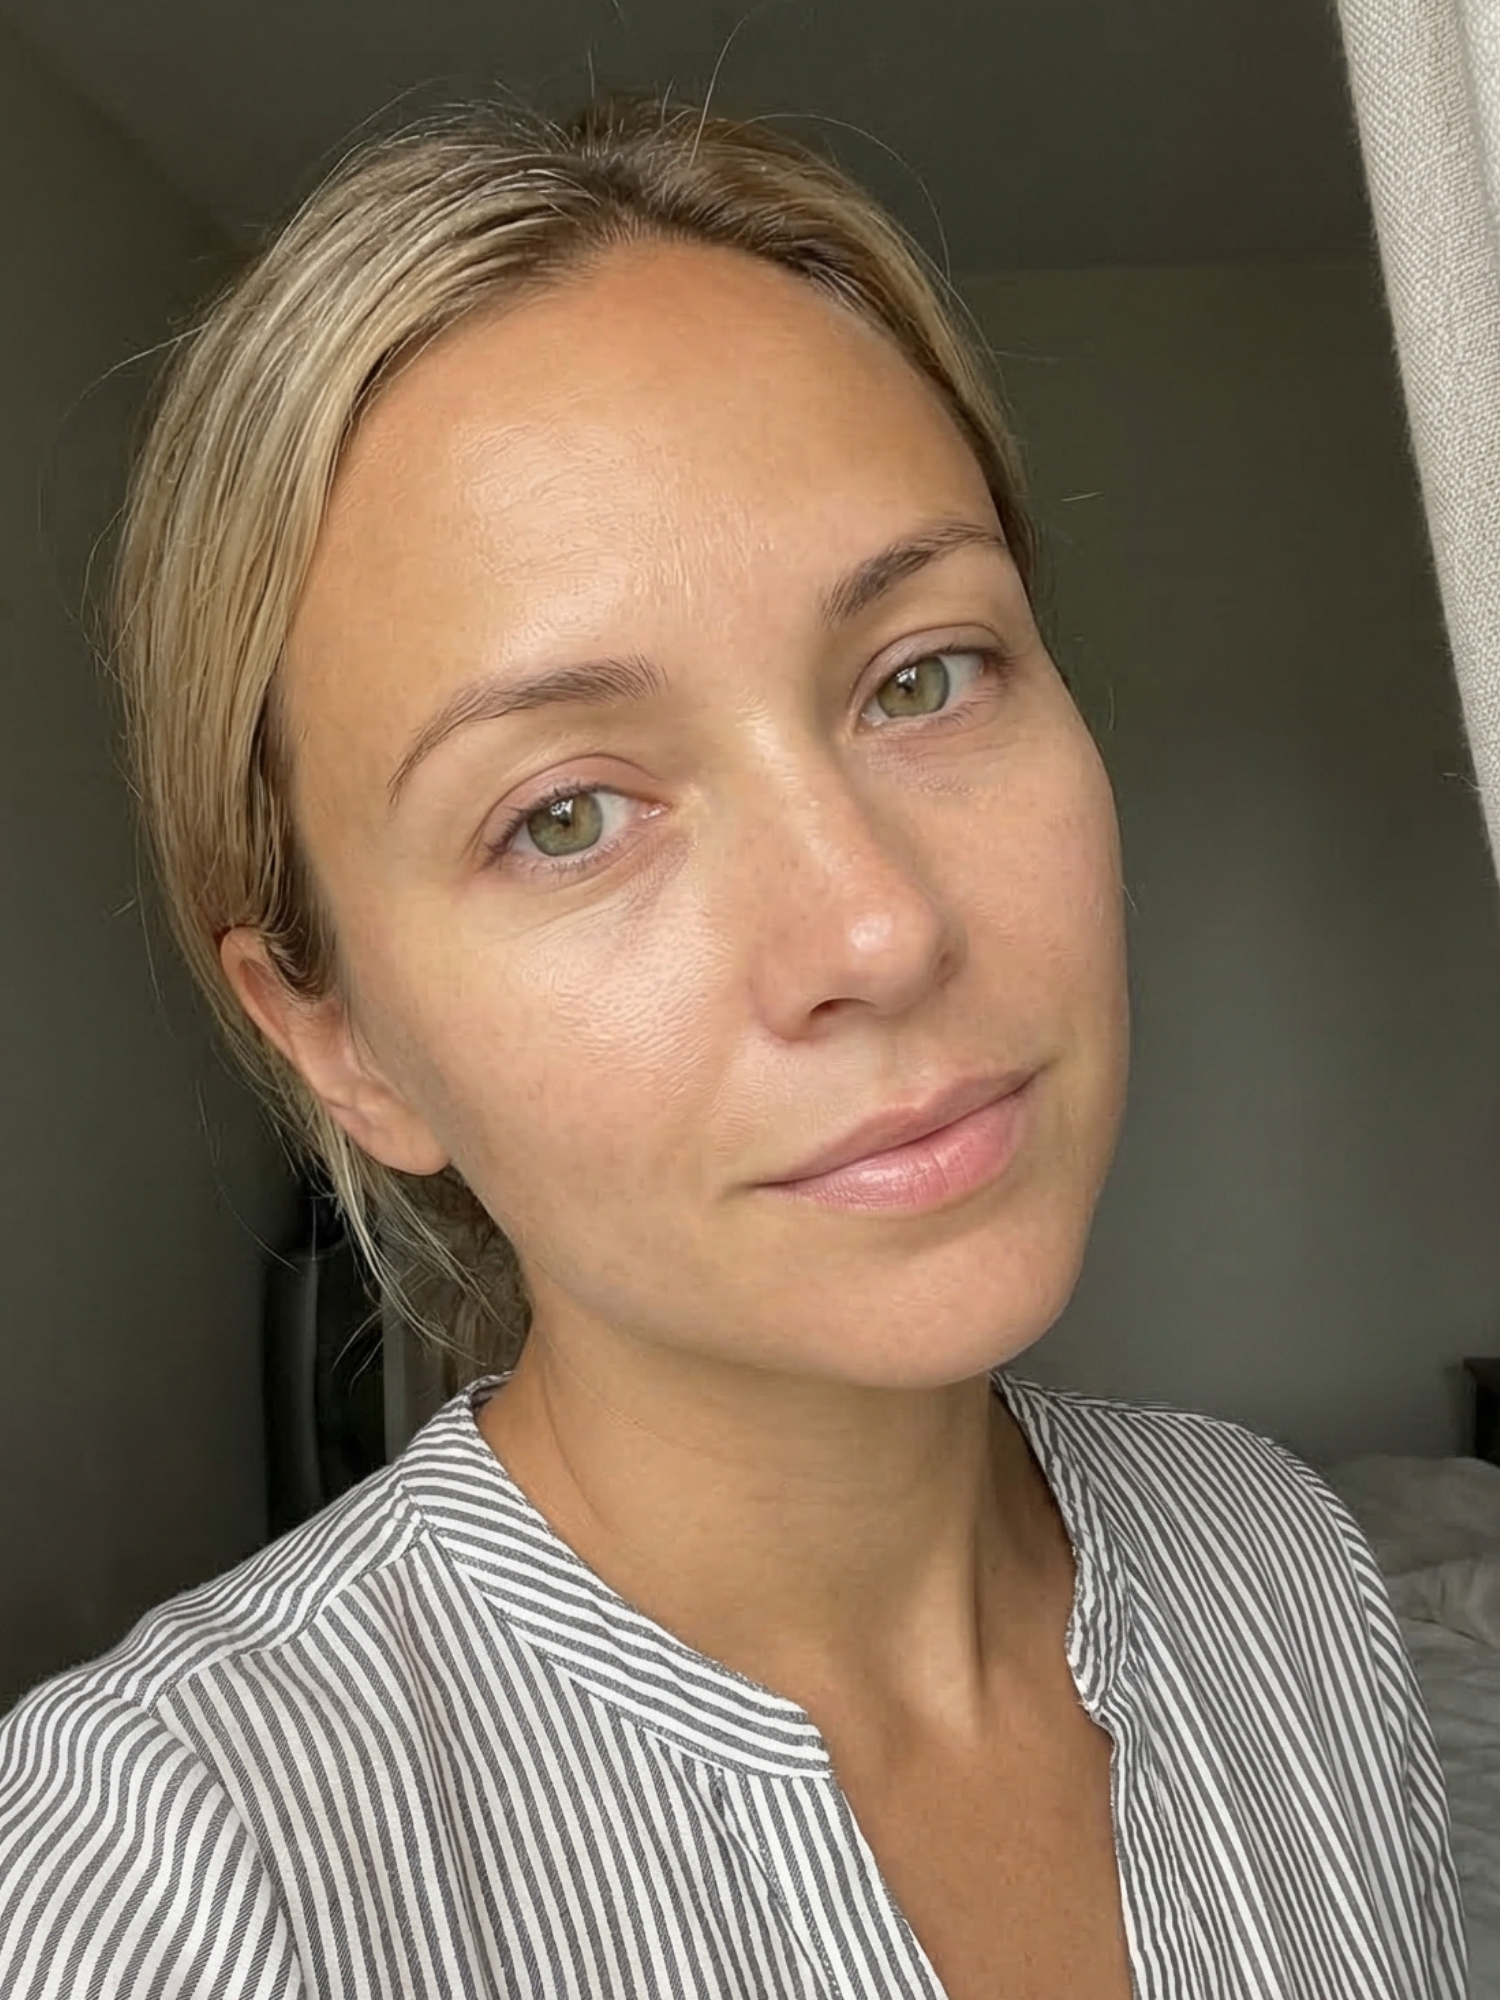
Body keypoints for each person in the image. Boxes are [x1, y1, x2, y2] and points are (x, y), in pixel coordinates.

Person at [0, 95, 1465, 2000]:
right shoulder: (164, 1870)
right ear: (337, 1036)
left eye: (922, 676)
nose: (879, 927)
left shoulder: (1289, 1577)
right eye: (567, 816)